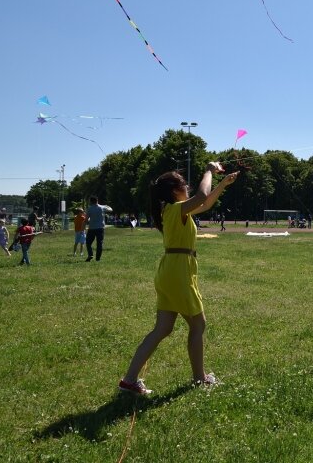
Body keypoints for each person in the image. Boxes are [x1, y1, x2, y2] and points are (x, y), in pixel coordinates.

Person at [119, 162, 238, 395]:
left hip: (171, 271)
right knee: (198, 324)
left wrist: (222, 183)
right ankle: (199, 379)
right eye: (184, 184)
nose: (188, 187)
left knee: (162, 329)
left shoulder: (175, 210)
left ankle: (129, 380)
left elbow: (206, 202)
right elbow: (202, 195)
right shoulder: (176, 210)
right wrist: (210, 171)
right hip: (178, 271)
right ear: (175, 190)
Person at [85, 196, 113, 262]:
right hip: (100, 228)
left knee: (88, 243)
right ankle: (98, 259)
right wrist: (106, 205)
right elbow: (111, 209)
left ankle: (90, 254)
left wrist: (83, 227)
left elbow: (86, 219)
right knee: (99, 244)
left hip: (92, 228)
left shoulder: (89, 209)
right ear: (97, 200)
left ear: (91, 201)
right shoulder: (102, 207)